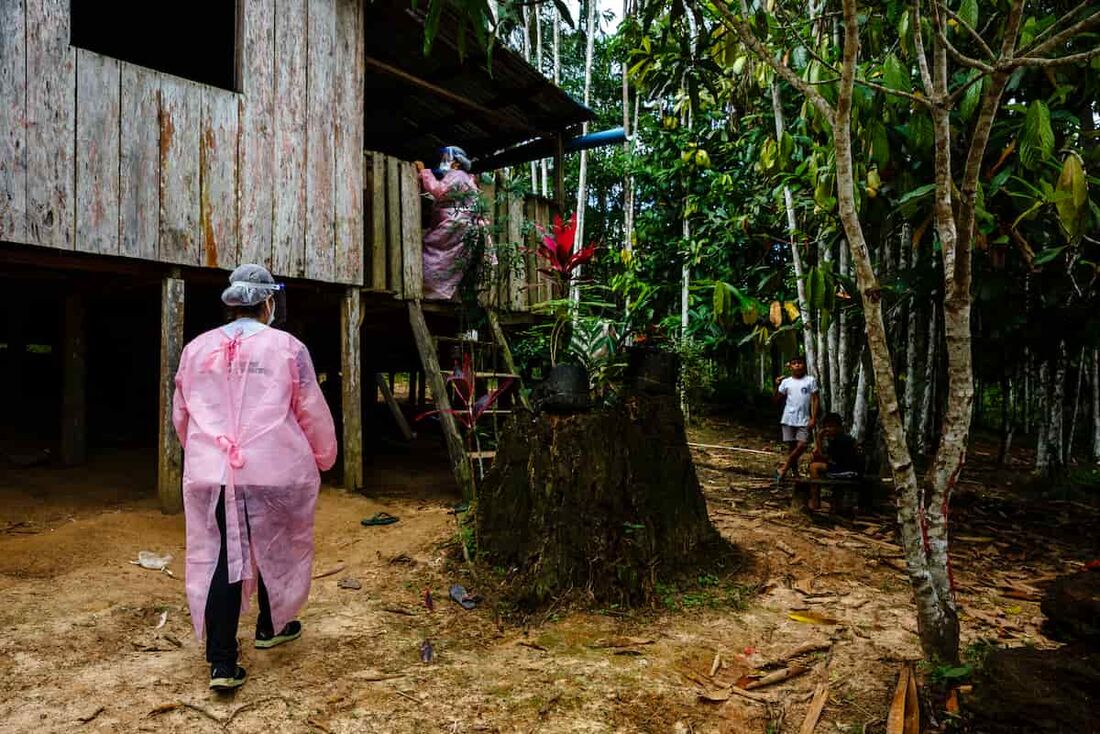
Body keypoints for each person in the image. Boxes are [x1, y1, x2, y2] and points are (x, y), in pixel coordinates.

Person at [172, 264, 337, 691]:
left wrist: (204, 454)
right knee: (273, 543)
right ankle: (269, 626)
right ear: (268, 302)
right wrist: (324, 456)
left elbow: (182, 414)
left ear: (232, 304)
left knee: (221, 554)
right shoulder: (287, 347)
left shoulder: (196, 349)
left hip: (214, 468)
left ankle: (222, 660)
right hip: (272, 468)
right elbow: (309, 408)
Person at [414, 146, 482, 301]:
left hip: (454, 224)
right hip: (462, 227)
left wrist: (425, 172)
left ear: (456, 164)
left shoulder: (457, 175)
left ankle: (428, 288)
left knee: (430, 250)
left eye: (445, 159)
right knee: (447, 259)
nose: (442, 163)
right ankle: (435, 292)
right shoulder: (466, 179)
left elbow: (440, 191)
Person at [773, 355, 820, 483]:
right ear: (790, 366)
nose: (797, 365)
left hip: (804, 419)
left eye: (800, 363)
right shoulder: (786, 382)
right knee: (792, 447)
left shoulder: (810, 380)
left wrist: (813, 417)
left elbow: (815, 399)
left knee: (802, 445)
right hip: (788, 418)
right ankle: (794, 472)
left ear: (804, 365)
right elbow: (777, 399)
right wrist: (777, 385)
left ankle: (783, 468)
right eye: (794, 363)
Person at [807, 413, 863, 511]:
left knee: (814, 467)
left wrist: (818, 440)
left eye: (830, 427)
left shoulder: (840, 440)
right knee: (815, 464)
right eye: (826, 427)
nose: (827, 429)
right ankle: (828, 501)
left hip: (848, 471)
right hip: (847, 468)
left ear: (839, 427)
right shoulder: (842, 438)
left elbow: (826, 458)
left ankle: (815, 501)